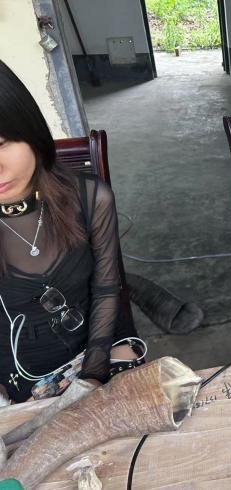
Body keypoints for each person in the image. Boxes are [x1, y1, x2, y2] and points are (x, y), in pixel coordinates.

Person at [0, 60, 144, 404]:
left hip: (101, 346)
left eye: (1, 144)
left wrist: (91, 376)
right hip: (19, 372)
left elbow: (106, 289)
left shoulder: (90, 198)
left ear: (29, 129)